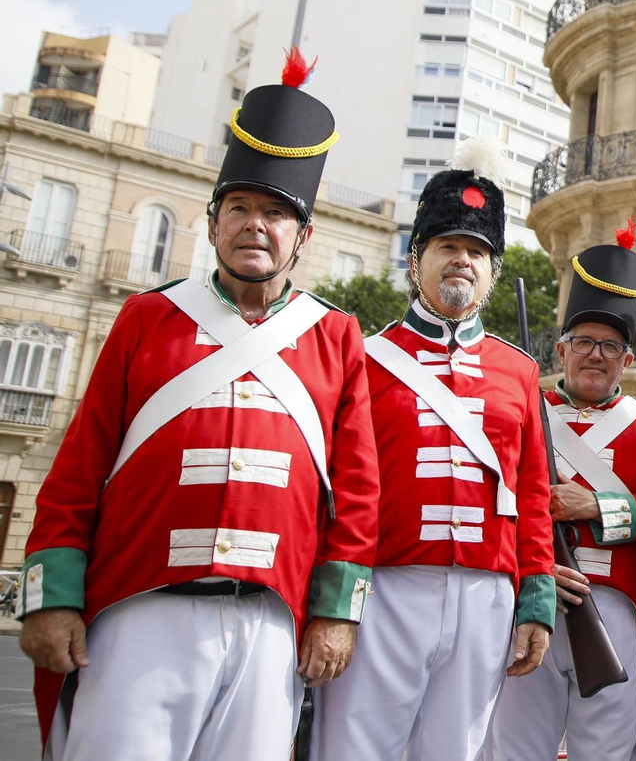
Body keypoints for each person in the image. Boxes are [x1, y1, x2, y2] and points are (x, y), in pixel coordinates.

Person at [18, 50, 380, 761]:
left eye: (276, 213)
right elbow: (81, 463)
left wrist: (336, 613)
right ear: (213, 225)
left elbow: (358, 497)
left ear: (301, 240)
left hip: (270, 622)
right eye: (239, 208)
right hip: (137, 613)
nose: (255, 224)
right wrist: (53, 594)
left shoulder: (335, 335)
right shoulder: (146, 318)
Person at [310, 137, 556, 759]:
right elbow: (338, 489)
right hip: (385, 588)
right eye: (448, 246)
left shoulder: (518, 368)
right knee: (354, 748)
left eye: (477, 251)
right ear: (417, 259)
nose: (461, 261)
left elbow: (530, 494)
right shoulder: (364, 356)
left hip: (486, 595)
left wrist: (537, 600)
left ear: (494, 272)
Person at [486, 219, 636, 761]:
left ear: (628, 361)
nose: (596, 355)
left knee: (609, 750)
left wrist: (595, 504)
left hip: (611, 608)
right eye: (584, 342)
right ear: (561, 349)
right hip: (530, 600)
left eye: (610, 346)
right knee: (516, 748)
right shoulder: (525, 413)